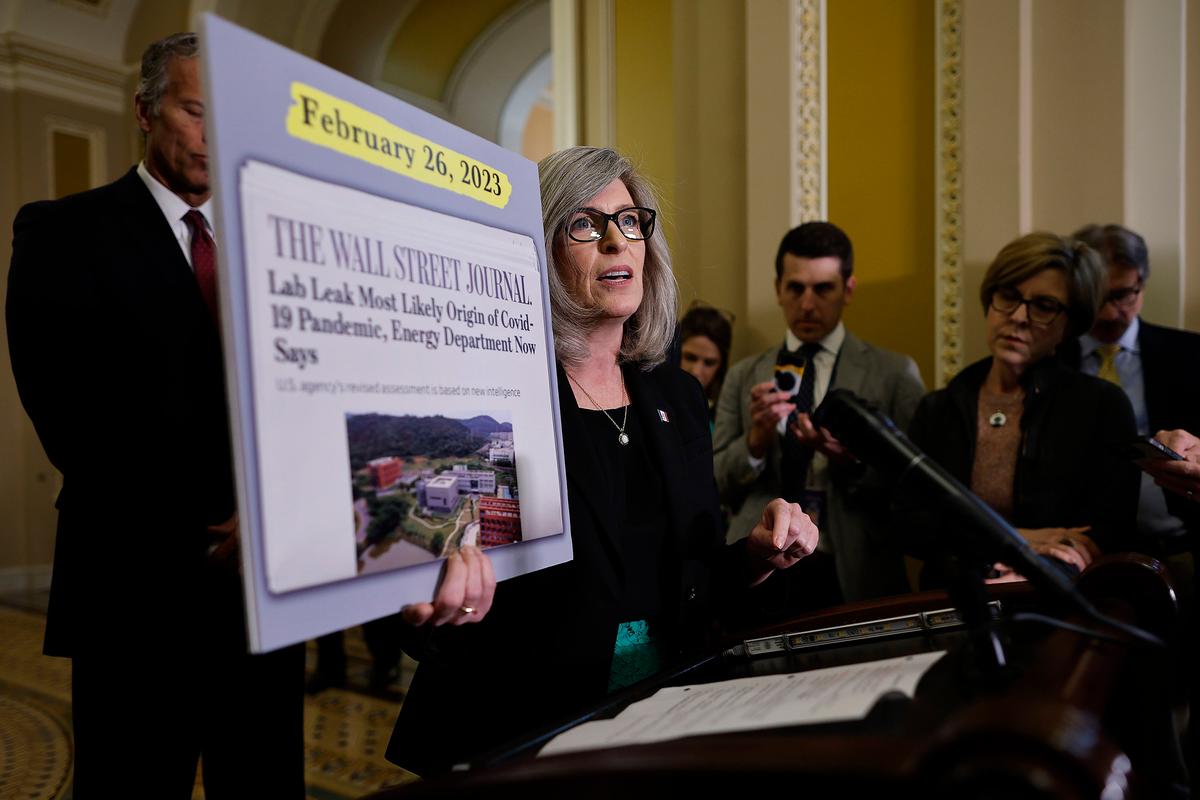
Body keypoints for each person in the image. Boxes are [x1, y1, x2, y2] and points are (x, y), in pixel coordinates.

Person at [385, 146, 819, 776]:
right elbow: (420, 604)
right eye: (585, 224)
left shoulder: (676, 395)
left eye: (631, 221)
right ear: (539, 249)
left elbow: (690, 584)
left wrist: (755, 556)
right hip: (518, 740)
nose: (618, 241)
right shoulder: (488, 399)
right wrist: (433, 600)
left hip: (661, 722)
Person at [5, 33, 304, 797]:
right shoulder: (63, 232)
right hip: (133, 591)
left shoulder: (279, 246)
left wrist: (274, 514)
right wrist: (231, 512)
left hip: (264, 592)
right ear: (146, 111)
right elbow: (73, 421)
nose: (215, 134)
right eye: (196, 111)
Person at [901, 232, 1140, 583]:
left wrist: (1026, 568)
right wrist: (1020, 540)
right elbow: (913, 526)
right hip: (959, 598)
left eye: (1043, 306)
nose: (1018, 317)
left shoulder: (1102, 406)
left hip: (1059, 599)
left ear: (1068, 325)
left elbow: (1106, 532)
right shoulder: (940, 407)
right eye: (1008, 297)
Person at [713, 222, 924, 608]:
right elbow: (714, 485)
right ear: (778, 289)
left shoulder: (893, 374)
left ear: (848, 290)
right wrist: (755, 444)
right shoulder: (744, 375)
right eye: (796, 288)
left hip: (856, 565)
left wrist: (850, 461)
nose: (807, 304)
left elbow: (916, 491)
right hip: (762, 564)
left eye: (823, 289)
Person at [1059, 223, 1200, 553]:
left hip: (1179, 543)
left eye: (1122, 295)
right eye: (1099, 297)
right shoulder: (1048, 363)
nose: (1109, 313)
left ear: (1142, 283)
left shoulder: (1191, 355)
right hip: (1076, 550)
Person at [677, 302, 734, 426]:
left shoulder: (729, 411)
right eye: (690, 358)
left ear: (721, 366)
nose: (696, 371)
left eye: (709, 363)